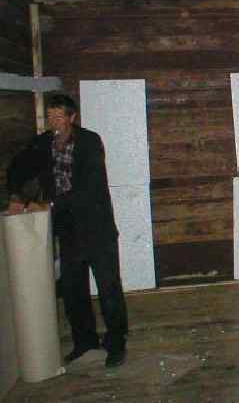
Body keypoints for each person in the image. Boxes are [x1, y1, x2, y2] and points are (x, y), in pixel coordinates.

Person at [6, 94, 128, 368]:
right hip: (68, 229)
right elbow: (18, 167)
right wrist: (16, 195)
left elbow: (88, 188)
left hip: (97, 228)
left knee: (108, 287)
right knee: (73, 289)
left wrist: (48, 204)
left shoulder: (90, 142)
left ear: (72, 117)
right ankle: (85, 343)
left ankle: (116, 343)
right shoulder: (42, 143)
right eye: (50, 117)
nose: (54, 122)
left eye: (59, 117)